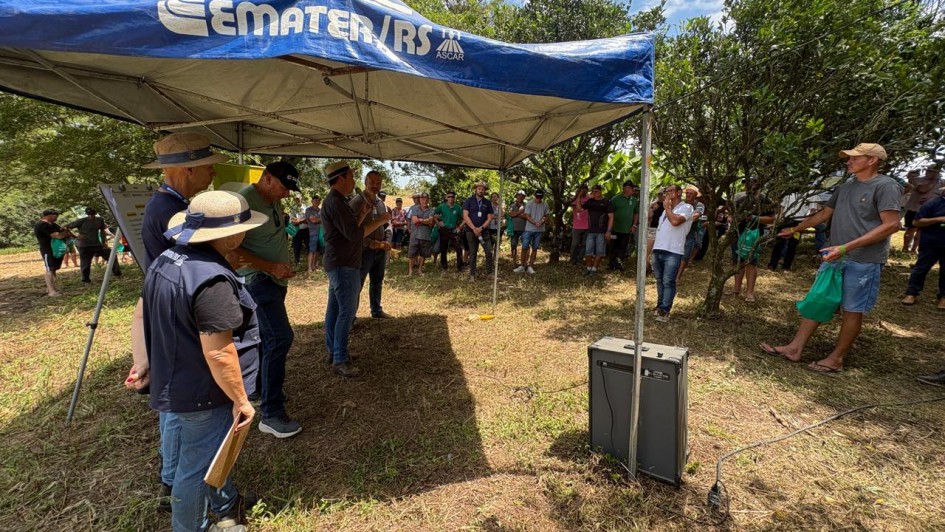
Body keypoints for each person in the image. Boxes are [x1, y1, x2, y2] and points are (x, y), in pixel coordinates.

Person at [144, 190, 264, 532]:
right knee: (195, 469)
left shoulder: (167, 258)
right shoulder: (211, 279)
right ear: (229, 234)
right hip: (204, 389)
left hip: (178, 377)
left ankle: (226, 505)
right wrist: (241, 401)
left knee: (201, 454)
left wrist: (144, 361)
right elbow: (218, 351)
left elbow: (143, 315)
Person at [128, 132, 226, 510]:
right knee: (180, 402)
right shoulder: (169, 210)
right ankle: (178, 480)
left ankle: (171, 475)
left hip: (168, 308)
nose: (213, 173)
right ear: (187, 169)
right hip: (179, 312)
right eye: (207, 167)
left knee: (173, 399)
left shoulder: (168, 202)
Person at [761, 143, 901, 374]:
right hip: (835, 256)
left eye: (855, 158)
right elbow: (825, 214)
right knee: (819, 299)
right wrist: (795, 229)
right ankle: (795, 348)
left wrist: (847, 247)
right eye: (848, 158)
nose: (849, 161)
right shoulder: (846, 186)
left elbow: (892, 225)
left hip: (863, 260)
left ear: (872, 160)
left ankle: (836, 359)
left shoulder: (886, 186)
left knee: (851, 309)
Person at [229, 161, 302, 438]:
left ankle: (260, 390)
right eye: (284, 187)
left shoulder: (272, 200)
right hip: (257, 282)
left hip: (274, 281)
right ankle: (271, 413)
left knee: (265, 338)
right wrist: (270, 266)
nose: (286, 194)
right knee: (280, 338)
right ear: (267, 178)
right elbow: (233, 254)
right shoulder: (242, 203)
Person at [321, 162, 390, 378]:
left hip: (339, 261)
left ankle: (334, 352)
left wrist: (363, 214)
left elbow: (349, 229)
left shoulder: (338, 201)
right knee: (346, 312)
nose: (353, 181)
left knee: (335, 309)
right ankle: (340, 358)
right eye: (351, 177)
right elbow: (355, 235)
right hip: (343, 264)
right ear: (341, 178)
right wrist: (380, 220)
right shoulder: (336, 202)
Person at [350, 170, 394, 318]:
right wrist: (369, 243)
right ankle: (350, 317)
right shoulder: (356, 202)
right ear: (365, 182)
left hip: (380, 250)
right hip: (363, 251)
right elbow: (350, 230)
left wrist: (387, 241)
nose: (375, 185)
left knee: (377, 281)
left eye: (378, 183)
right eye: (372, 182)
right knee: (357, 284)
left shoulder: (381, 203)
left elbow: (387, 225)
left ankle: (376, 310)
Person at [728, 181, 776, 302]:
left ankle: (749, 293)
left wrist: (755, 218)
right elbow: (730, 215)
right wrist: (732, 218)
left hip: (754, 235)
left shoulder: (765, 200)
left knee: (751, 263)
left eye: (754, 182)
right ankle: (736, 289)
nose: (749, 185)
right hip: (737, 234)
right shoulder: (739, 197)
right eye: (747, 182)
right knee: (738, 261)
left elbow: (771, 219)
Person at [650, 185, 694, 322]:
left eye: (671, 191)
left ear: (679, 193)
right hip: (659, 248)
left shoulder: (686, 208)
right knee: (659, 280)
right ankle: (660, 305)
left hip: (673, 250)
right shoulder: (664, 211)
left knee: (668, 281)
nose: (668, 194)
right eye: (666, 192)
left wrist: (667, 208)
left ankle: (665, 310)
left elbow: (675, 221)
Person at [900, 183, 945, 308]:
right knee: (921, 268)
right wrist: (939, 219)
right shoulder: (933, 203)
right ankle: (912, 293)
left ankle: (943, 297)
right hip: (931, 243)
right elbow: (916, 221)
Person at [66, 207, 122, 284]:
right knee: (85, 263)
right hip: (84, 245)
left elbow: (102, 231)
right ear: (87, 214)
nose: (91, 216)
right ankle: (86, 280)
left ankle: (117, 273)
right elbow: (65, 227)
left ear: (95, 213)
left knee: (111, 255)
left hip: (96, 244)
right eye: (89, 214)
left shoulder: (100, 220)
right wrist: (75, 236)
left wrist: (103, 242)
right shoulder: (81, 221)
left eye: (92, 214)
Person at [902, 167, 941, 254]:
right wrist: (933, 182)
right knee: (911, 229)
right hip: (914, 208)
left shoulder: (941, 182)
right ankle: (905, 249)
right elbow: (922, 189)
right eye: (929, 171)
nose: (929, 173)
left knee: (922, 231)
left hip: (930, 210)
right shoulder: (918, 180)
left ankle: (914, 250)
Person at [34, 208, 71, 297]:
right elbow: (58, 236)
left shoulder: (54, 225)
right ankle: (51, 292)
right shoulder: (42, 225)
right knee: (49, 269)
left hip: (57, 250)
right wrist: (65, 231)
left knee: (53, 269)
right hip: (48, 250)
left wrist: (66, 231)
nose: (57, 217)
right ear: (49, 216)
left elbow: (65, 233)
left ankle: (51, 288)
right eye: (56, 216)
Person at [462, 181, 495, 281]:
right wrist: (474, 228)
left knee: (489, 251)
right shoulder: (468, 201)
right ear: (476, 189)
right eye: (479, 188)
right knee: (473, 253)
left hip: (483, 231)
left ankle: (489, 273)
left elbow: (490, 218)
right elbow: (465, 216)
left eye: (483, 189)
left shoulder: (487, 202)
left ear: (485, 191)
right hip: (470, 231)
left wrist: (481, 228)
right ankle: (472, 274)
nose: (481, 190)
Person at [767, 192, 807, 272]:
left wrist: (804, 224)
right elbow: (782, 209)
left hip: (799, 222)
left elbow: (812, 211)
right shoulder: (788, 192)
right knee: (779, 243)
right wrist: (777, 222)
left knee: (793, 244)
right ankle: (772, 265)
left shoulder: (809, 193)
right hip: (785, 220)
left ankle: (786, 267)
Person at [515, 189, 549, 274]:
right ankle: (522, 266)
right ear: (534, 196)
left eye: (540, 198)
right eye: (537, 197)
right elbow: (527, 215)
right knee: (524, 247)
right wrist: (534, 222)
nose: (538, 199)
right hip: (529, 229)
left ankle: (530, 266)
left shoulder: (545, 204)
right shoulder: (529, 203)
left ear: (542, 197)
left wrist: (541, 222)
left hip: (539, 230)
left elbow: (546, 215)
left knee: (535, 248)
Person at [582, 184, 614, 276]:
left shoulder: (607, 202)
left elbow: (611, 217)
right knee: (588, 251)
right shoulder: (590, 201)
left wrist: (608, 230)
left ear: (600, 192)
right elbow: (580, 208)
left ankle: (594, 269)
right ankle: (588, 268)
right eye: (593, 191)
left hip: (601, 231)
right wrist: (579, 196)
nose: (594, 193)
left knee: (599, 251)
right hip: (590, 231)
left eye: (596, 191)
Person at [609, 180, 640, 271]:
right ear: (624, 188)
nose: (628, 190)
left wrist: (634, 225)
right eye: (626, 188)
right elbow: (610, 213)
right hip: (615, 229)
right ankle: (611, 264)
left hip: (626, 230)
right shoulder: (615, 199)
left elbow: (636, 213)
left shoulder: (634, 200)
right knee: (613, 246)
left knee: (622, 247)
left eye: (630, 188)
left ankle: (619, 265)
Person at [676, 185, 704, 281]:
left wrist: (682, 218)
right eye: (687, 193)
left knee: (685, 257)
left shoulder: (699, 205)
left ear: (696, 195)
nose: (688, 195)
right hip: (679, 233)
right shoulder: (682, 204)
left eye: (690, 193)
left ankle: (677, 278)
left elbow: (696, 216)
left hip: (690, 234)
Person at [435, 190, 464, 271]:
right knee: (443, 249)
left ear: (454, 198)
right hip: (444, 230)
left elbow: (465, 219)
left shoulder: (458, 207)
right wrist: (438, 223)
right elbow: (433, 214)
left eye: (452, 197)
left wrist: (459, 227)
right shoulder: (442, 206)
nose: (451, 198)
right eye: (449, 197)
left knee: (459, 248)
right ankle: (444, 267)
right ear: (446, 198)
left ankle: (460, 267)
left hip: (453, 230)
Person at [408, 192, 436, 275]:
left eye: (426, 199)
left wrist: (420, 220)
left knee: (423, 254)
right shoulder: (414, 208)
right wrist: (425, 220)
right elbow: (414, 220)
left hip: (425, 235)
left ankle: (419, 270)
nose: (425, 200)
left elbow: (431, 221)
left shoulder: (431, 210)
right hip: (415, 234)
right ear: (420, 199)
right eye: (423, 198)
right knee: (411, 254)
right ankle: (410, 271)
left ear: (428, 200)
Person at [569, 184, 590, 266]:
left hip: (587, 225)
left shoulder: (590, 198)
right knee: (575, 244)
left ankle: (580, 260)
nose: (583, 190)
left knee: (585, 244)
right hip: (577, 226)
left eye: (585, 189)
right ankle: (573, 259)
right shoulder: (574, 198)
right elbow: (577, 207)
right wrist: (578, 196)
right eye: (581, 189)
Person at [507, 190, 528, 264]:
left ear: (524, 197)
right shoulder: (512, 205)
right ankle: (514, 259)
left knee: (525, 245)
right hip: (514, 229)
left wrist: (515, 214)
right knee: (513, 244)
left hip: (524, 229)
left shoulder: (527, 206)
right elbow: (509, 213)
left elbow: (526, 216)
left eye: (522, 196)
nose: (520, 197)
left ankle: (525, 261)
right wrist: (519, 213)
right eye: (519, 195)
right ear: (516, 196)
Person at [304, 195, 324, 273]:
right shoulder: (309, 210)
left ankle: (314, 266)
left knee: (318, 250)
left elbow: (318, 219)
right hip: (313, 232)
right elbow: (313, 221)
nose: (317, 201)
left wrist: (319, 219)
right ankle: (309, 268)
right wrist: (322, 219)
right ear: (312, 201)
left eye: (318, 200)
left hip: (321, 232)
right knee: (312, 250)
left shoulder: (321, 210)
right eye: (315, 200)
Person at [288, 195, 309, 266]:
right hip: (297, 230)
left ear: (301, 198)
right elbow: (292, 220)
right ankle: (297, 261)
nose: (297, 200)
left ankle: (310, 260)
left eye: (298, 199)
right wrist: (300, 221)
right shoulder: (293, 209)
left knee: (309, 245)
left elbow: (308, 219)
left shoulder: (306, 208)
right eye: (296, 199)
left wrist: (299, 221)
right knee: (297, 246)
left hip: (306, 230)